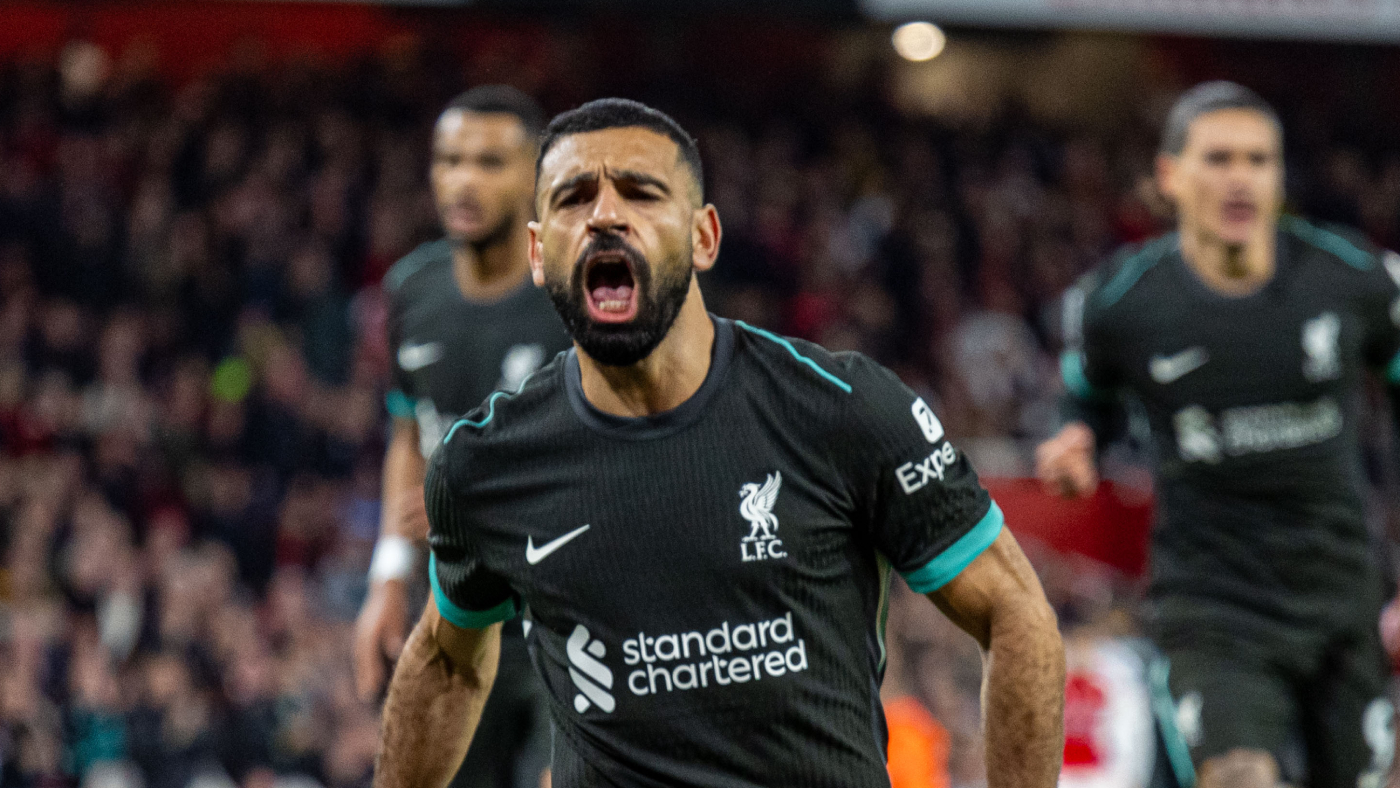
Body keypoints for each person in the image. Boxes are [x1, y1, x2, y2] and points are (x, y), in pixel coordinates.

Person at [373, 98, 1064, 788]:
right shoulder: (486, 462)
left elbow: (1013, 611)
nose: (605, 215)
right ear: (537, 252)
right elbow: (446, 662)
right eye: (573, 198)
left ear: (704, 237)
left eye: (641, 193)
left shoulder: (840, 409)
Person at [1037, 81, 1400, 788]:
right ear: (1170, 175)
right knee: (1238, 778)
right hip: (1212, 609)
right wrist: (1075, 438)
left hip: (1339, 604)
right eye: (1219, 158)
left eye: (1259, 160)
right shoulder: (1123, 302)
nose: (1241, 178)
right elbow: (1085, 397)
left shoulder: (1351, 279)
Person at [353, 85, 571, 788]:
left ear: (536, 174)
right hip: (456, 616)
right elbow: (408, 432)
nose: (463, 180)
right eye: (449, 160)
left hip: (566, 619)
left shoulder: (574, 294)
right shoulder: (411, 289)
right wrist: (388, 577)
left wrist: (484, 507)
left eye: (489, 161)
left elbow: (622, 457)